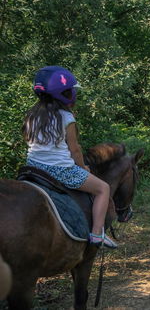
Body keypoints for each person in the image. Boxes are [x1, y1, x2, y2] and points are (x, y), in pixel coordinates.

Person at [22, 66, 117, 249]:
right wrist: (82, 168)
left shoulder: (32, 116)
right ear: (65, 93)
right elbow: (74, 150)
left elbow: (29, 141)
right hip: (61, 170)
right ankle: (97, 234)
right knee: (103, 188)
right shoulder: (66, 117)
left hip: (33, 168)